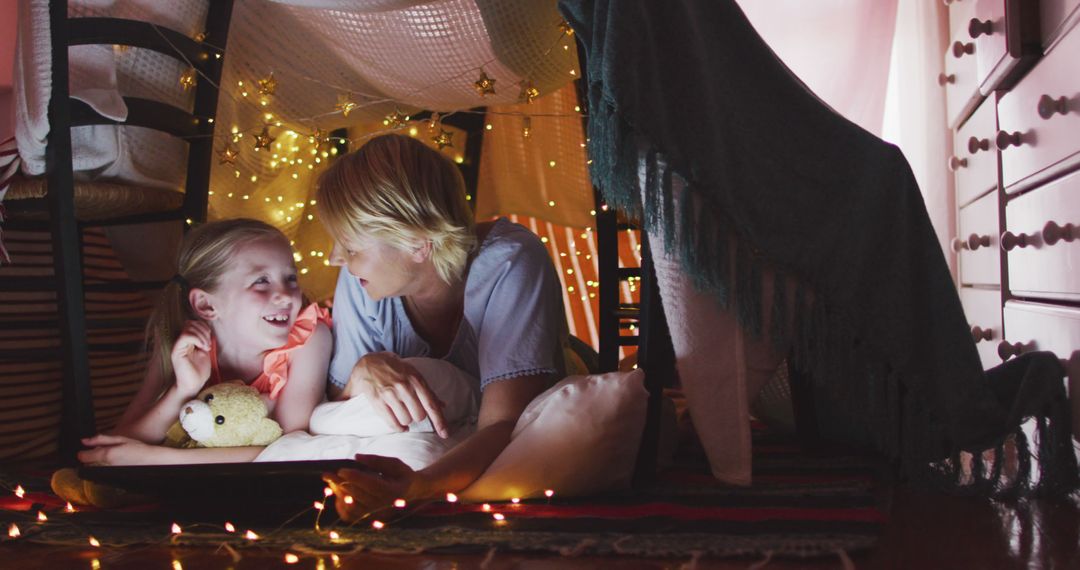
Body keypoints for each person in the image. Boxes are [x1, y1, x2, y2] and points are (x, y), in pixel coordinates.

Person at [315, 134, 568, 520]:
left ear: (418, 243)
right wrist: (365, 368)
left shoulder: (511, 262)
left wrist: (420, 486)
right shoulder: (359, 278)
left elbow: (505, 424)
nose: (334, 258)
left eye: (350, 247)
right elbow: (340, 401)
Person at [77, 218, 332, 465]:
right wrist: (184, 389)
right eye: (261, 281)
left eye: (291, 278)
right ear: (206, 304)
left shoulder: (309, 339)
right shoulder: (181, 339)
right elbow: (126, 439)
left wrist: (159, 459)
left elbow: (287, 449)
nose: (286, 296)